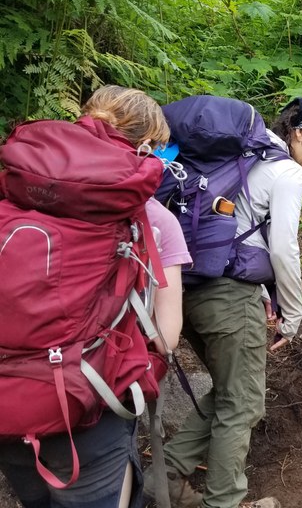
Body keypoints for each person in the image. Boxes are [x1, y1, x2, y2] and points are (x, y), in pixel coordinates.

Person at [144, 97, 302, 508]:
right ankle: (225, 502)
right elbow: (284, 248)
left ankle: (165, 477)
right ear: (300, 133)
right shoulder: (287, 171)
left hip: (187, 288)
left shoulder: (244, 157)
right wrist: (293, 313)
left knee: (232, 391)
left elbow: (241, 229)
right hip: (231, 296)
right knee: (244, 402)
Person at [0, 85, 189, 508]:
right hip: (83, 405)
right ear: (144, 145)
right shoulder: (149, 220)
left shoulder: (15, 199)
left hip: (6, 400)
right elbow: (165, 336)